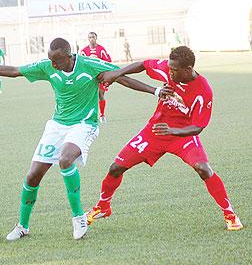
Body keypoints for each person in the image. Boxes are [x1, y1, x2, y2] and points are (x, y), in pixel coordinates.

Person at [0, 37, 128, 241]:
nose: (53, 64)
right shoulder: (48, 67)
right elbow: (16, 71)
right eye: (50, 60)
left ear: (68, 56)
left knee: (66, 159)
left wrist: (154, 91)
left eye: (56, 61)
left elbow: (121, 75)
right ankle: (23, 226)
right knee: (32, 176)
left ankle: (78, 218)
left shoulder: (88, 65)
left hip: (84, 124)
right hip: (57, 125)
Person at [87, 46, 243, 232]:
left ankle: (229, 213)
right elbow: (143, 65)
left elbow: (198, 127)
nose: (169, 72)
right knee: (116, 167)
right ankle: (103, 206)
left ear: (188, 70)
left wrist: (173, 130)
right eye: (169, 68)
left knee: (203, 168)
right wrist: (116, 73)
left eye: (173, 70)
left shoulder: (203, 91)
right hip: (154, 131)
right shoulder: (170, 70)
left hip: (182, 135)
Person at [80, 32, 112, 123]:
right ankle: (88, 115)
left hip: (100, 76)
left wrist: (98, 61)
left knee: (100, 95)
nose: (91, 39)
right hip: (89, 77)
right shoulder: (83, 51)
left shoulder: (101, 49)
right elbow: (80, 64)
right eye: (89, 37)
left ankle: (102, 115)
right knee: (88, 97)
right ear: (88, 39)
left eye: (93, 37)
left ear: (96, 38)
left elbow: (108, 61)